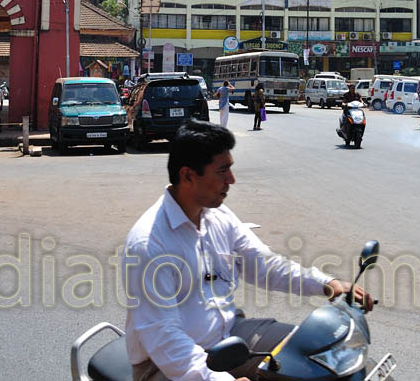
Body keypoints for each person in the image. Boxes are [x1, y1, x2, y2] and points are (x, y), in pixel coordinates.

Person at [122, 120, 373, 381]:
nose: (231, 179)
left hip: (229, 335)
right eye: (222, 171)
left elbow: (264, 264)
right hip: (165, 365)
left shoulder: (217, 216)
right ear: (188, 175)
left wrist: (327, 283)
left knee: (320, 357)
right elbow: (165, 339)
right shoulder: (149, 245)